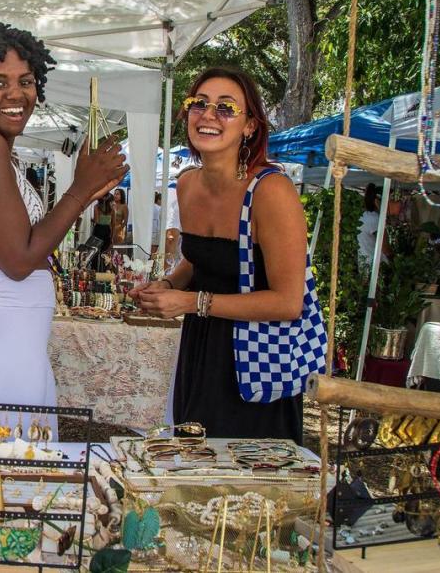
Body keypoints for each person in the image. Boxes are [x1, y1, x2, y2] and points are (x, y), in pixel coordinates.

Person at [0, 23, 126, 423]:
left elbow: (26, 237)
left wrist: (88, 190)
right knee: (17, 465)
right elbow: (19, 261)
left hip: (8, 330)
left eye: (26, 81)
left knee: (23, 460)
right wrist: (80, 187)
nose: (16, 94)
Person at [130, 66, 308, 443]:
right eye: (199, 104)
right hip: (200, 350)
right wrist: (163, 285)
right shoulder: (187, 183)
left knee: (245, 485)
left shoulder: (271, 191)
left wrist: (192, 302)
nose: (209, 115)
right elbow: (198, 260)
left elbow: (289, 302)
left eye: (226, 107)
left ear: (250, 126)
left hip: (258, 360)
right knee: (192, 463)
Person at [357, 182, 389, 269]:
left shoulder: (363, 216)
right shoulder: (376, 219)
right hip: (376, 265)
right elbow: (385, 248)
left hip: (364, 263)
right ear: (377, 201)